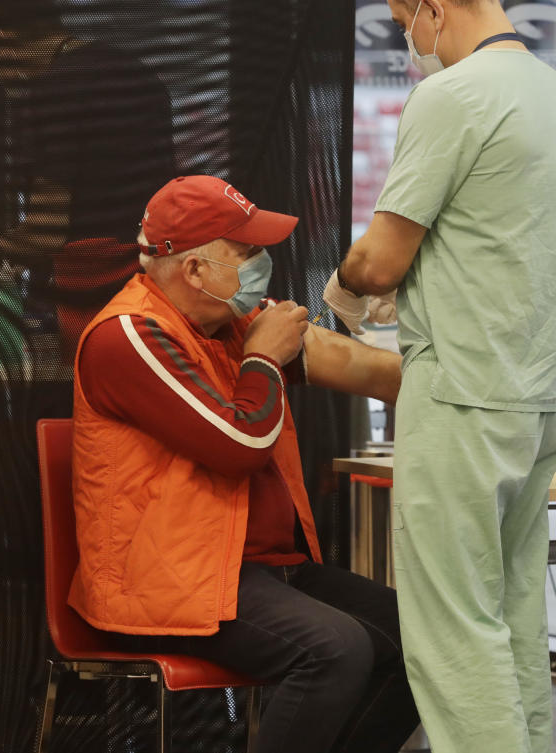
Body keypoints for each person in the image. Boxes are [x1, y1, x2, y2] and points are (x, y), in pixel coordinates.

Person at [69, 174, 419, 753]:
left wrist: (448, 383)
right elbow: (240, 446)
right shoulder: (128, 335)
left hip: (261, 568)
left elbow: (364, 369)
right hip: (173, 579)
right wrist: (263, 355)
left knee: (427, 640)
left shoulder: (227, 323)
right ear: (195, 270)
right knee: (335, 648)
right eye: (247, 252)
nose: (263, 262)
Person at [321, 2, 556, 751]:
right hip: (536, 393)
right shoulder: (547, 91)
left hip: (461, 391)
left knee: (452, 630)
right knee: (516, 612)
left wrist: (347, 287)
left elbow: (380, 258)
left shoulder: (453, 94)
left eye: (401, 17)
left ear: (433, 6)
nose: (405, 36)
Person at [0, 3, 175, 362]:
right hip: (155, 281)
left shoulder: (51, 91)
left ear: (4, 39)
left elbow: (47, 230)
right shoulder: (135, 73)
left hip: (91, 286)